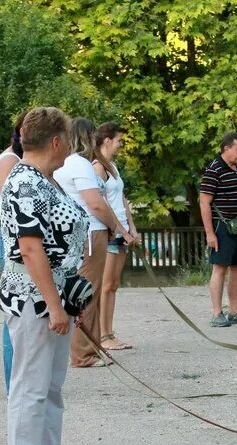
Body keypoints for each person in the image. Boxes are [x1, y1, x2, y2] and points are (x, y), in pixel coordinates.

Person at [0, 107, 87, 445]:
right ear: (55, 141)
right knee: (30, 386)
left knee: (50, 385)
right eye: (66, 138)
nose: (68, 145)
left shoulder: (45, 180)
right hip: (33, 299)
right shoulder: (24, 183)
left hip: (56, 296)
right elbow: (30, 249)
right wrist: (54, 305)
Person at [53, 118, 124, 367]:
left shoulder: (62, 165)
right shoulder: (81, 165)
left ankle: (89, 348)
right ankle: (84, 354)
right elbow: (95, 203)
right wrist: (115, 227)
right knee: (88, 294)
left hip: (74, 233)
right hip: (91, 233)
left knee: (80, 291)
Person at [199, 132, 237, 328]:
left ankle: (234, 311)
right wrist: (209, 233)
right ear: (226, 148)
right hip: (221, 226)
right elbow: (204, 203)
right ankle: (217, 313)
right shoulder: (213, 169)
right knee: (219, 268)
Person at [92, 122, 140, 351]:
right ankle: (102, 335)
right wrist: (120, 229)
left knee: (113, 284)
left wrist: (132, 227)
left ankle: (109, 332)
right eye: (119, 140)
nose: (121, 144)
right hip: (110, 232)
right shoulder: (97, 167)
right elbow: (100, 203)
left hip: (122, 232)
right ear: (107, 140)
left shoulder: (112, 166)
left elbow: (121, 200)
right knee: (106, 284)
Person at [0, 110, 28, 394]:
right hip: (11, 239)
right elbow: (11, 206)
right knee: (17, 310)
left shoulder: (19, 160)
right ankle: (12, 382)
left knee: (24, 310)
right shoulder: (9, 161)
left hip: (16, 239)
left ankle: (21, 379)